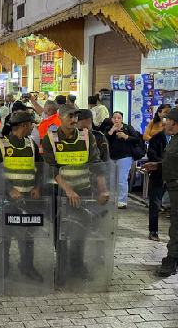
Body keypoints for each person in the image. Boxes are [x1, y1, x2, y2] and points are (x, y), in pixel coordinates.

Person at [41, 104, 105, 285]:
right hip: (59, 193)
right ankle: (61, 267)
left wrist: (103, 188)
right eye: (70, 116)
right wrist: (68, 190)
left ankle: (78, 265)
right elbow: (50, 168)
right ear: (60, 117)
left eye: (76, 116)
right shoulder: (50, 139)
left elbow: (96, 163)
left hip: (83, 191)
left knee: (80, 232)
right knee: (61, 233)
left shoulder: (86, 136)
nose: (74, 119)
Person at [0, 111, 45, 281]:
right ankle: (3, 267)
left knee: (28, 236)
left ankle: (27, 266)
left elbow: (40, 168)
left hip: (29, 200)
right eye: (31, 123)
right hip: (8, 200)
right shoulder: (1, 145)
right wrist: (8, 189)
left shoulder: (31, 144)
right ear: (23, 125)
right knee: (5, 236)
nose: (33, 126)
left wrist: (37, 187)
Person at [143, 108, 178, 277]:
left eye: (166, 120)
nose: (164, 122)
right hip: (175, 187)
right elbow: (174, 162)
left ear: (172, 122)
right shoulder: (175, 140)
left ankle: (171, 259)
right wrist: (157, 165)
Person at [106, 111, 139, 209]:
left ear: (122, 119)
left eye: (119, 118)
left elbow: (136, 139)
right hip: (112, 156)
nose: (116, 120)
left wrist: (126, 136)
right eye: (114, 117)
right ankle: (112, 199)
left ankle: (122, 201)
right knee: (111, 179)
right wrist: (112, 130)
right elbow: (105, 139)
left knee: (121, 179)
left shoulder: (128, 128)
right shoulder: (109, 129)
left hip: (125, 156)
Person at [146, 126, 171, 241]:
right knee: (155, 203)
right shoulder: (156, 138)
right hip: (158, 175)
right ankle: (153, 230)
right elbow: (151, 155)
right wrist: (163, 164)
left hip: (176, 176)